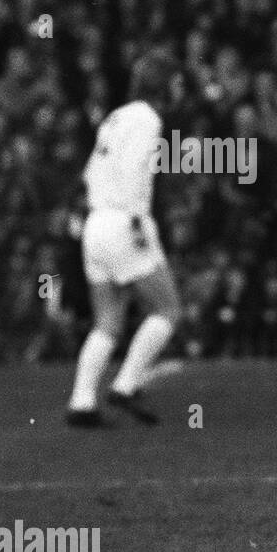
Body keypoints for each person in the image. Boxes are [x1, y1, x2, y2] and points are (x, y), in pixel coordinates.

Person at [66, 52, 184, 427]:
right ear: (162, 84)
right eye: (176, 81)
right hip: (123, 221)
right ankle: (126, 384)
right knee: (167, 310)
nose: (180, 88)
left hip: (96, 224)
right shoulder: (149, 119)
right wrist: (136, 224)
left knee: (107, 322)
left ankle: (82, 402)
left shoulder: (115, 117)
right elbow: (136, 172)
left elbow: (89, 173)